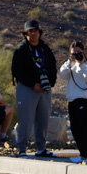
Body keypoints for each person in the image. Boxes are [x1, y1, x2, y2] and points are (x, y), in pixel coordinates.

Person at [11, 19, 57, 158]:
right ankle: (22, 148)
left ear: (39, 32)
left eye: (35, 31)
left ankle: (41, 148)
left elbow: (53, 67)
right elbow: (16, 71)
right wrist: (32, 84)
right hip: (27, 88)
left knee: (43, 119)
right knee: (26, 119)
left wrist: (49, 83)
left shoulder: (45, 49)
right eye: (30, 31)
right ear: (25, 34)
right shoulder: (21, 50)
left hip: (44, 89)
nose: (33, 33)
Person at [58, 41, 87, 164]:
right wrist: (70, 61)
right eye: (73, 53)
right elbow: (62, 75)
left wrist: (81, 63)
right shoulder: (70, 65)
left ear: (83, 51)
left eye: (78, 52)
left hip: (84, 100)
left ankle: (84, 156)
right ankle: (82, 154)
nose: (76, 55)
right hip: (72, 100)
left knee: (84, 129)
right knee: (75, 129)